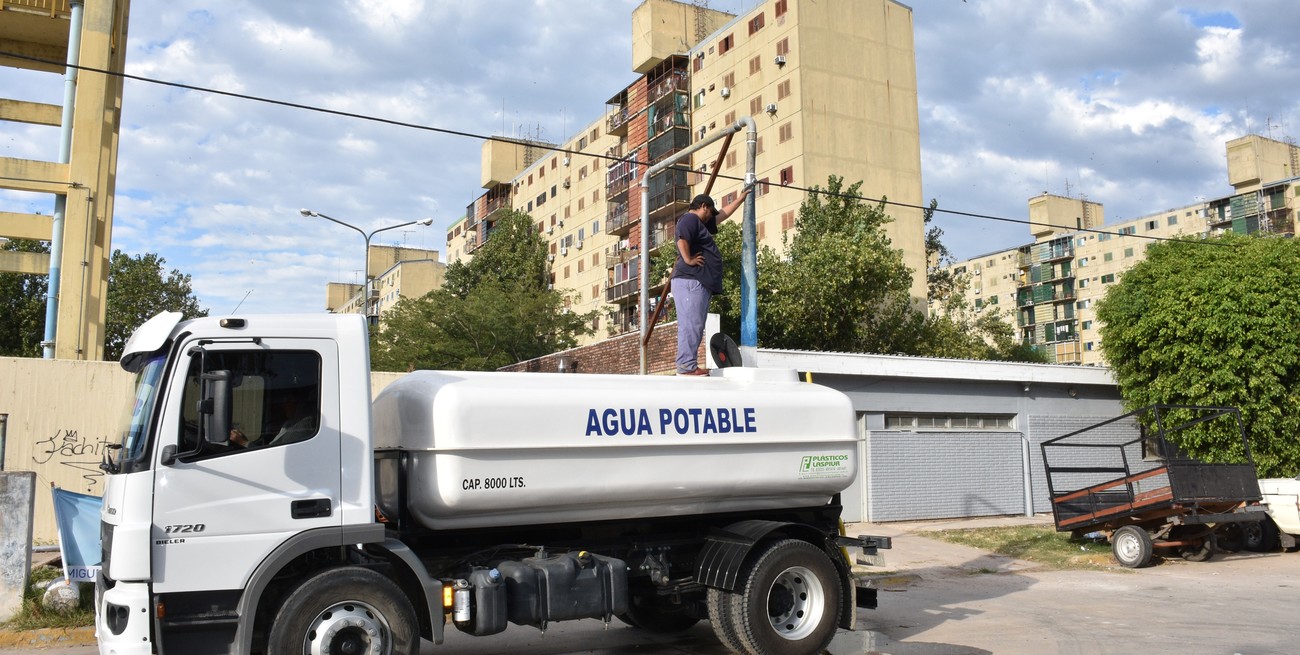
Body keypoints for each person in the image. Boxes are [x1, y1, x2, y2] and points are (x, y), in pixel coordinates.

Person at [671, 189, 749, 376]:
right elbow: (682, 238)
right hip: (691, 280)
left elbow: (722, 214)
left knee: (694, 324)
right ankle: (687, 366)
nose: (711, 217)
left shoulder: (700, 223)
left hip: (695, 282)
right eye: (709, 212)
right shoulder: (690, 219)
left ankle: (687, 365)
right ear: (703, 206)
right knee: (691, 324)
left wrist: (740, 199)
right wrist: (688, 259)